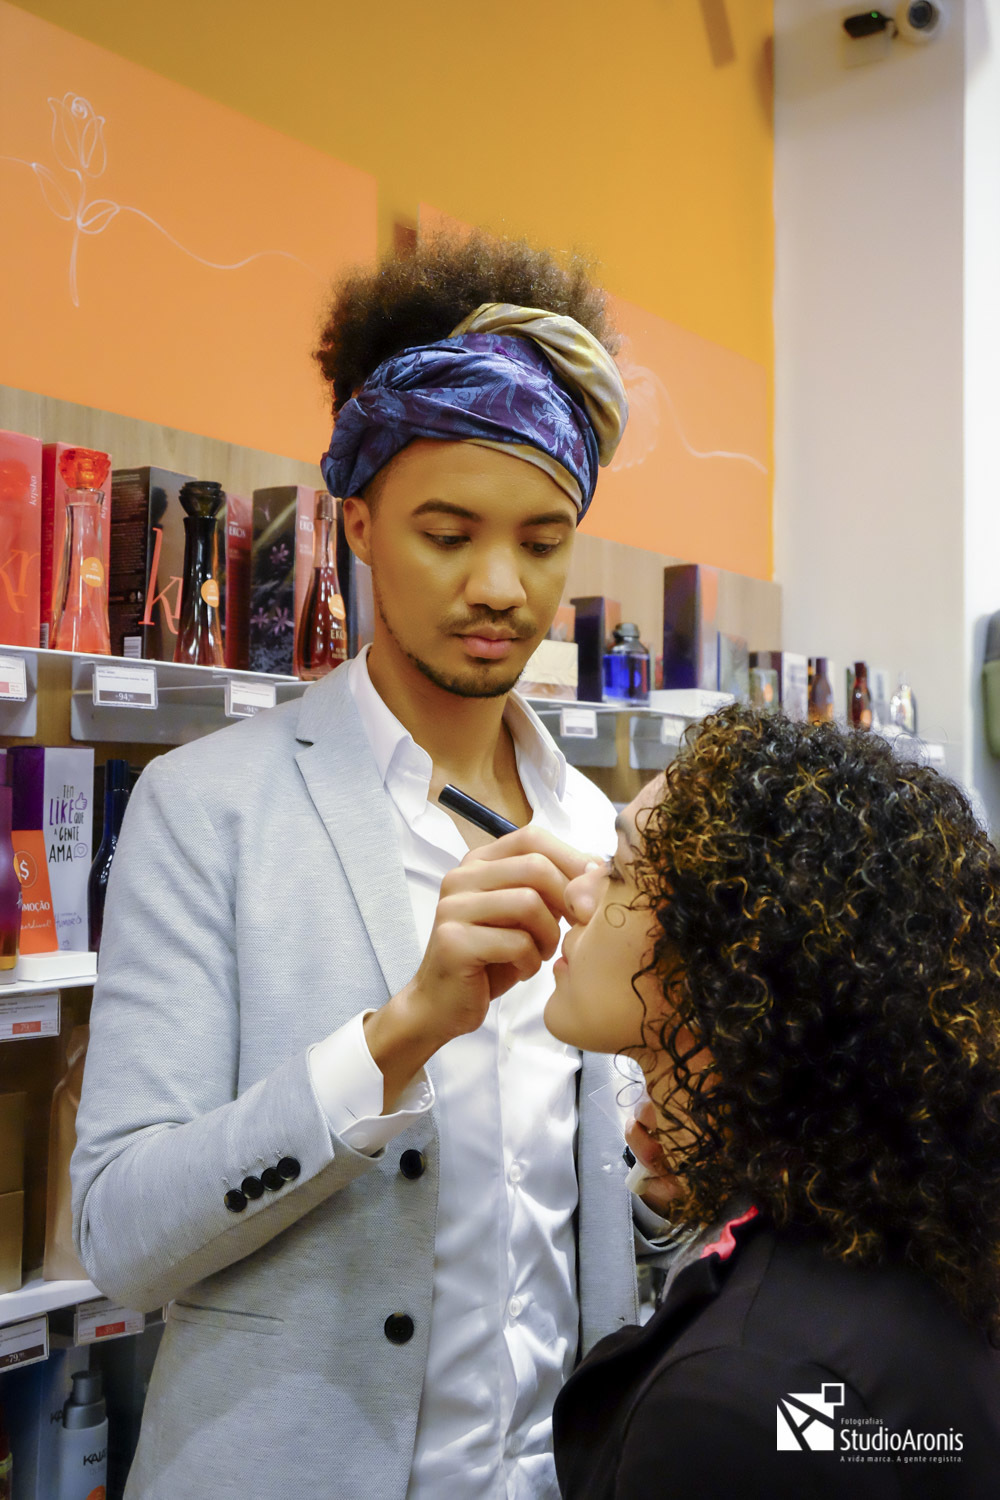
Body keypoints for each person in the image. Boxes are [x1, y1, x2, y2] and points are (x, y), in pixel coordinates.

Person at [71, 233, 666, 1500]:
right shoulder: (209, 812)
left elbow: (617, 1246)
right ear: (354, 521)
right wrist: (395, 1037)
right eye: (446, 532)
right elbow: (122, 1240)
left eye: (544, 541)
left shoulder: (607, 841)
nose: (500, 587)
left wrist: (669, 1179)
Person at [546, 706, 1000, 1499]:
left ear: (720, 962)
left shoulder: (734, 1404)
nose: (576, 893)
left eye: (617, 870)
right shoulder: (906, 1229)